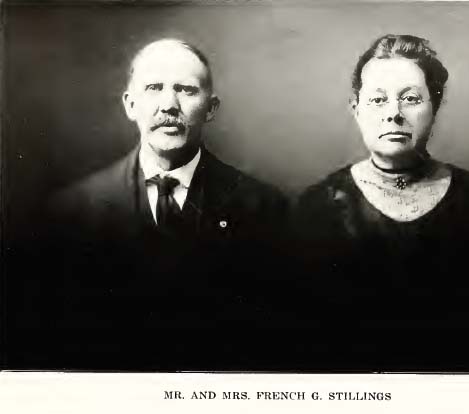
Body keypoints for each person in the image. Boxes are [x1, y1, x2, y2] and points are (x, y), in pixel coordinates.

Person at [294, 34, 469, 371]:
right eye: (378, 99)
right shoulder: (318, 207)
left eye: (410, 98)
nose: (394, 114)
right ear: (356, 109)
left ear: (434, 106)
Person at [30, 39, 288, 370]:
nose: (169, 105)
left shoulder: (264, 208)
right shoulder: (73, 212)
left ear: (211, 108)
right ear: (130, 104)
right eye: (154, 88)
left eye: (186, 90)